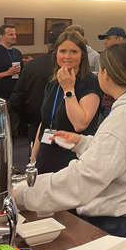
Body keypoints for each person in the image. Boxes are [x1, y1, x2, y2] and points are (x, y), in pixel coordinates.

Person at [14, 42, 126, 245]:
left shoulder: (125, 116)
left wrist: (23, 194)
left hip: (116, 219)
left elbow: (83, 179)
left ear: (105, 74)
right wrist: (83, 142)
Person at [30, 30, 102, 174]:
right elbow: (45, 122)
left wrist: (68, 89)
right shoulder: (53, 82)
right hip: (47, 152)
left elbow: (80, 124)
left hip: (73, 158)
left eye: (74, 52)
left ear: (82, 55)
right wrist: (33, 156)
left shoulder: (90, 82)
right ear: (56, 53)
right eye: (63, 51)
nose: (67, 56)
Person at [10, 22, 67, 150]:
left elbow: (17, 98)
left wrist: (26, 120)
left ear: (48, 45)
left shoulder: (33, 65)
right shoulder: (73, 67)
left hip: (37, 122)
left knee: (36, 162)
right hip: (66, 127)